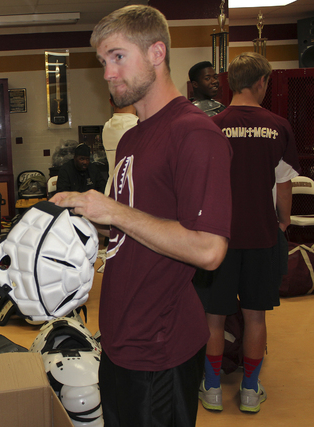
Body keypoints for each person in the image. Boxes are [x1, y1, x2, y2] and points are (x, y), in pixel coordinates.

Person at [51, 5, 232, 426]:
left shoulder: (195, 134)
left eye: (117, 57)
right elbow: (132, 225)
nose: (108, 74)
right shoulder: (133, 137)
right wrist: (82, 222)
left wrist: (112, 209)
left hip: (160, 349)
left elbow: (209, 249)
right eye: (102, 62)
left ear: (156, 52)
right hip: (120, 338)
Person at [194, 52, 300, 414]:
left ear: (229, 83)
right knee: (256, 316)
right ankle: (250, 391)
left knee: (214, 317)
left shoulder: (212, 126)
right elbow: (284, 186)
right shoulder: (279, 126)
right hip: (263, 237)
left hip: (217, 240)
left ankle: (210, 388)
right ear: (262, 83)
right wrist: (282, 222)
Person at [101, 94, 137, 195]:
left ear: (110, 102)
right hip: (131, 193)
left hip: (111, 190)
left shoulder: (106, 127)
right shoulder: (140, 127)